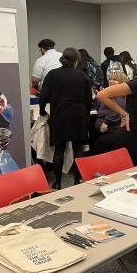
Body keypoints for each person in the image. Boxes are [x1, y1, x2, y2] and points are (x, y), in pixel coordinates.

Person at [39, 47, 92, 189]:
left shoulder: (52, 75)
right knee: (78, 148)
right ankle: (77, 180)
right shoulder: (83, 76)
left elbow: (43, 96)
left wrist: (42, 110)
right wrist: (85, 115)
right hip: (79, 115)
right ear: (76, 61)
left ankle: (58, 182)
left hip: (60, 115)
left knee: (59, 149)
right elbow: (89, 100)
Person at [92, 71, 128, 154]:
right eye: (110, 79)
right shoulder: (106, 96)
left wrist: (106, 120)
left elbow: (118, 112)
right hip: (106, 132)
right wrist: (101, 121)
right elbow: (99, 113)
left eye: (114, 79)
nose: (111, 81)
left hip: (116, 132)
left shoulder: (124, 97)